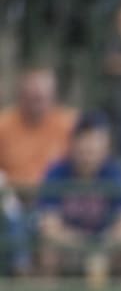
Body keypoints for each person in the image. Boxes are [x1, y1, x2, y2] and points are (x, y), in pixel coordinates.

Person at [36, 112, 121, 278]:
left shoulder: (116, 172)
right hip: (69, 248)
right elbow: (49, 229)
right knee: (48, 254)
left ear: (106, 146)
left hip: (106, 247)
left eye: (95, 142)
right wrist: (82, 244)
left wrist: (101, 245)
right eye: (84, 142)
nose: (88, 149)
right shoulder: (56, 172)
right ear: (73, 144)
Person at [0, 67, 77, 195]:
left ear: (53, 96)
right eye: (30, 97)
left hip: (56, 197)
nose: (35, 105)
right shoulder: (4, 124)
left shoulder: (70, 124)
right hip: (11, 197)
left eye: (40, 98)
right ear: (20, 95)